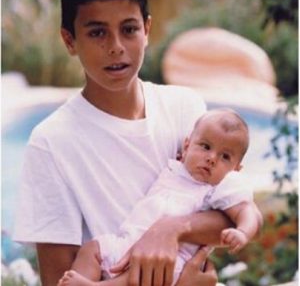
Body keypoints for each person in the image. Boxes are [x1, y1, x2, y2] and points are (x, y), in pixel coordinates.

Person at [13, 0, 263, 285]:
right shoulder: (51, 142)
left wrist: (170, 229)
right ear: (70, 40)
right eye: (97, 33)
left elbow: (232, 215)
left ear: (147, 29)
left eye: (129, 29)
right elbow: (59, 280)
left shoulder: (187, 110)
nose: (116, 46)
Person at [56, 108, 258, 286]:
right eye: (205, 146)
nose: (211, 158)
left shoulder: (218, 188)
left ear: (236, 170)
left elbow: (247, 210)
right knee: (94, 248)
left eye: (225, 157)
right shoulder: (175, 168)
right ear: (187, 146)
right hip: (127, 243)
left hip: (173, 261)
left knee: (143, 275)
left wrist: (242, 232)